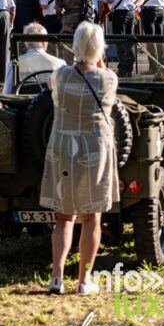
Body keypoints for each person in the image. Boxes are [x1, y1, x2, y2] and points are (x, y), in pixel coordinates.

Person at [41, 23, 119, 296]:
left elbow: (53, 88)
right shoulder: (108, 78)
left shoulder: (60, 75)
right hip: (94, 148)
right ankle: (84, 280)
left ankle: (56, 277)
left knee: (63, 217)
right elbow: (101, 75)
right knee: (91, 216)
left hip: (62, 145)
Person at [105, 0, 143, 77]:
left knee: (120, 40)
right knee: (129, 39)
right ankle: (129, 67)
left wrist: (105, 0)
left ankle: (122, 68)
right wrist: (135, 5)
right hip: (131, 12)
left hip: (119, 13)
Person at [3, 22, 65, 93]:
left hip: (23, 103)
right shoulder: (60, 64)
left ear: (26, 43)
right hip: (51, 103)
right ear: (45, 42)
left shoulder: (15, 63)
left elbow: (7, 92)